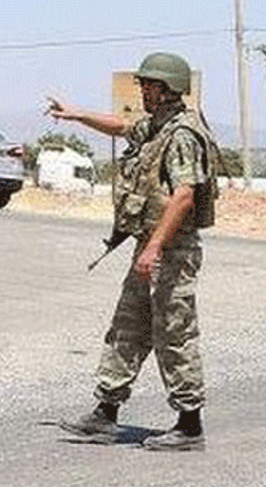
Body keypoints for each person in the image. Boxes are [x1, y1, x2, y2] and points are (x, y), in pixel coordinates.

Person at [47, 52, 219, 451]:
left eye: (149, 86)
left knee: (174, 332)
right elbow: (123, 127)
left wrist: (155, 246)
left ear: (168, 89)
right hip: (151, 245)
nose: (143, 91)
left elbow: (183, 196)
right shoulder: (158, 127)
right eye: (143, 85)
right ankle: (105, 413)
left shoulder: (182, 134)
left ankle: (189, 424)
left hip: (172, 250)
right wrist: (77, 116)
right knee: (128, 325)